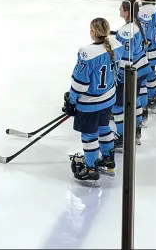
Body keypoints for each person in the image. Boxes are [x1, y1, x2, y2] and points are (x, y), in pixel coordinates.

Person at [63, 18, 123, 187]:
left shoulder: (87, 53)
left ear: (92, 32)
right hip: (108, 99)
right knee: (104, 128)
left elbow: (80, 83)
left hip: (90, 103)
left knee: (89, 135)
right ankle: (108, 161)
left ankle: (91, 169)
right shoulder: (116, 45)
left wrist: (71, 101)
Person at [112, 0, 152, 150]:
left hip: (129, 72)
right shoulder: (137, 24)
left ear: (126, 12)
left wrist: (119, 75)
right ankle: (136, 130)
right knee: (134, 100)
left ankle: (124, 137)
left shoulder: (126, 31)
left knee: (117, 106)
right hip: (141, 68)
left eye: (120, 8)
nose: (119, 10)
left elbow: (125, 57)